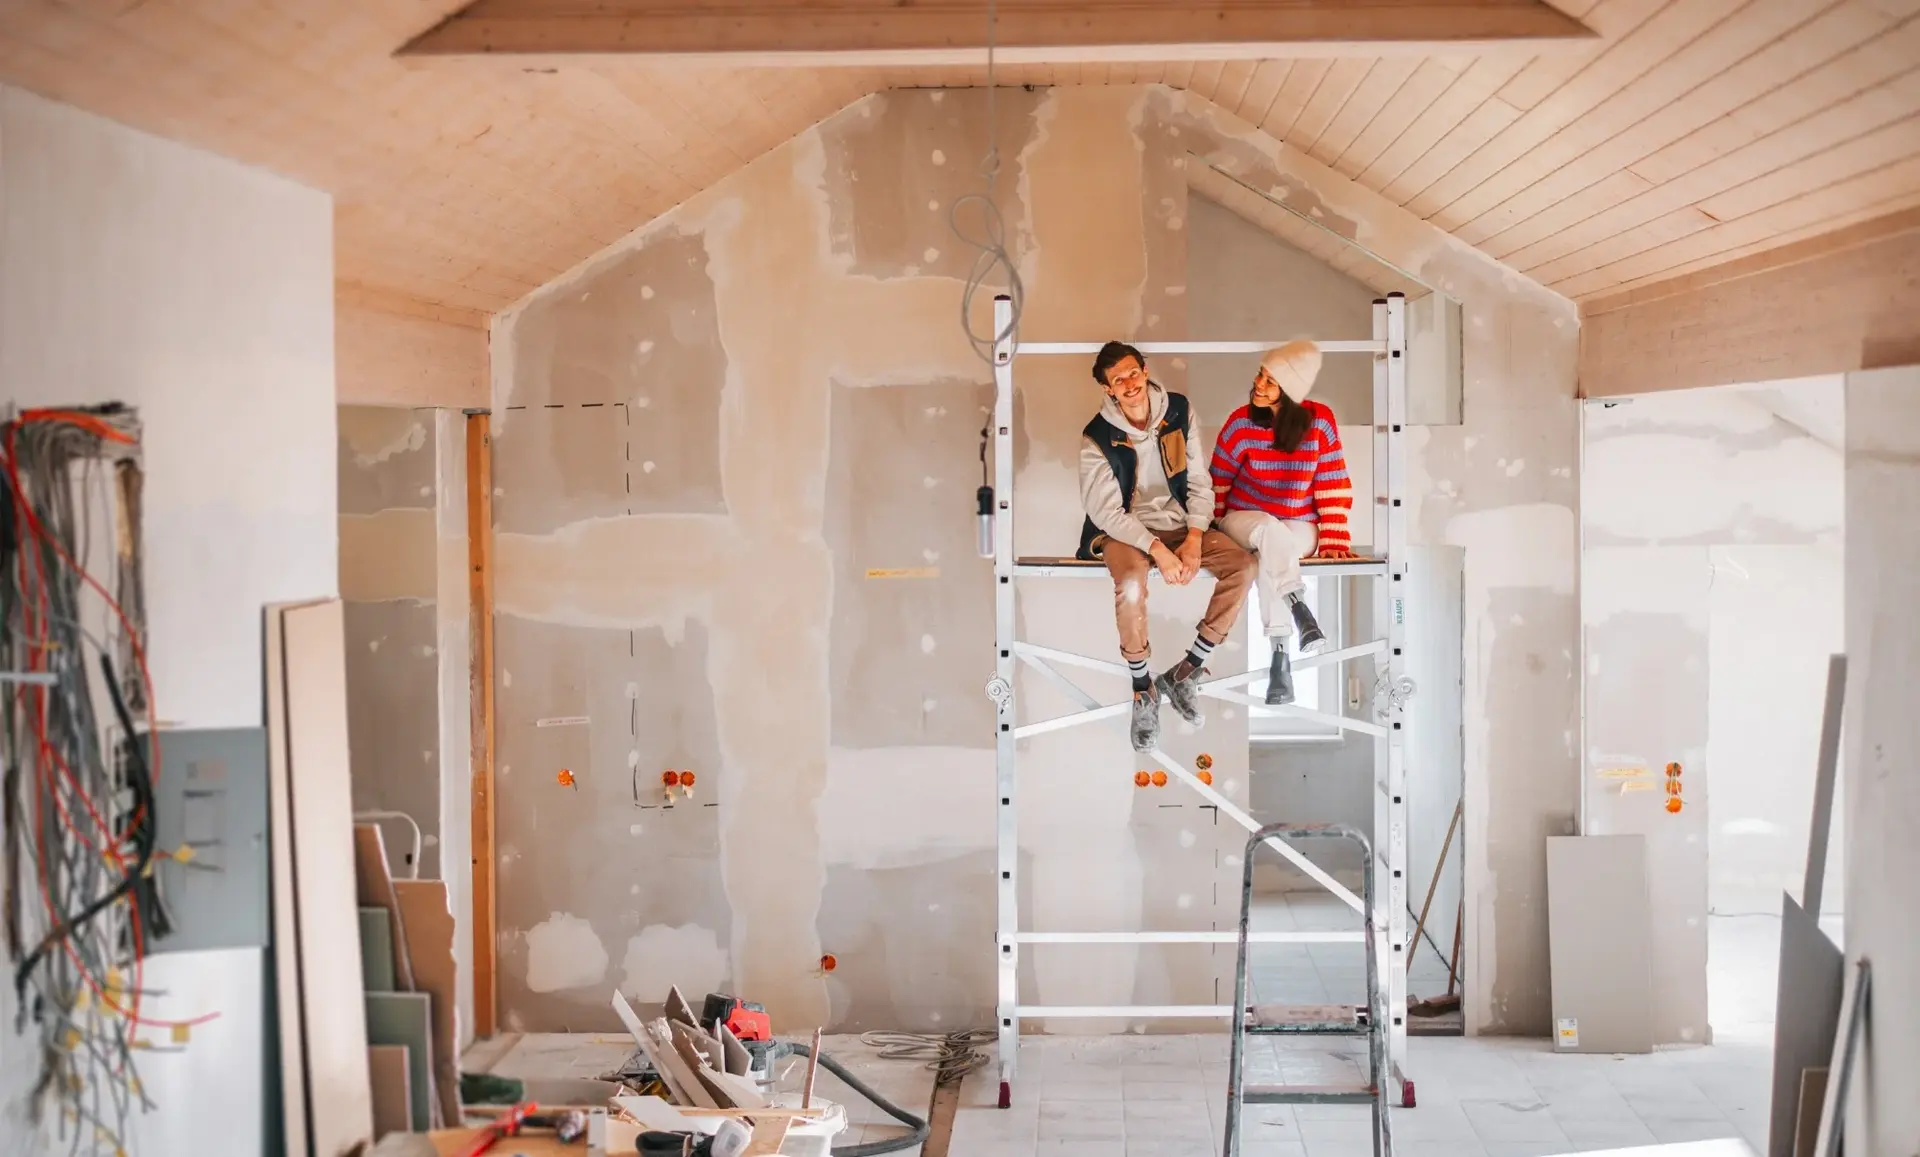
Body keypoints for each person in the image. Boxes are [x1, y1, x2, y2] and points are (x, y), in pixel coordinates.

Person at [1077, 341, 1256, 752]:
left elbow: (1198, 482)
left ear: (1143, 370)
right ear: (1108, 389)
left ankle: (1185, 672)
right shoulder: (1097, 438)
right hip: (1127, 532)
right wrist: (1157, 549)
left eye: (1132, 373)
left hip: (1181, 524)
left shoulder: (1178, 411)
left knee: (1243, 566)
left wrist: (1194, 536)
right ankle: (1143, 688)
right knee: (1132, 582)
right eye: (1117, 380)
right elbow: (1107, 513)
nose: (1129, 384)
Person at [1208, 340, 1356, 705]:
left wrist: (1335, 538)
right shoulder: (1240, 422)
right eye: (1261, 373)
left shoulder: (1319, 422)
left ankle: (1280, 656)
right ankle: (1298, 608)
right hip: (1245, 520)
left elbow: (1331, 480)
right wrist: (1207, 532)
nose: (1259, 383)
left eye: (1271, 380)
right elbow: (1217, 482)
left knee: (1274, 546)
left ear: (1290, 391)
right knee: (1267, 533)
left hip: (1296, 524)